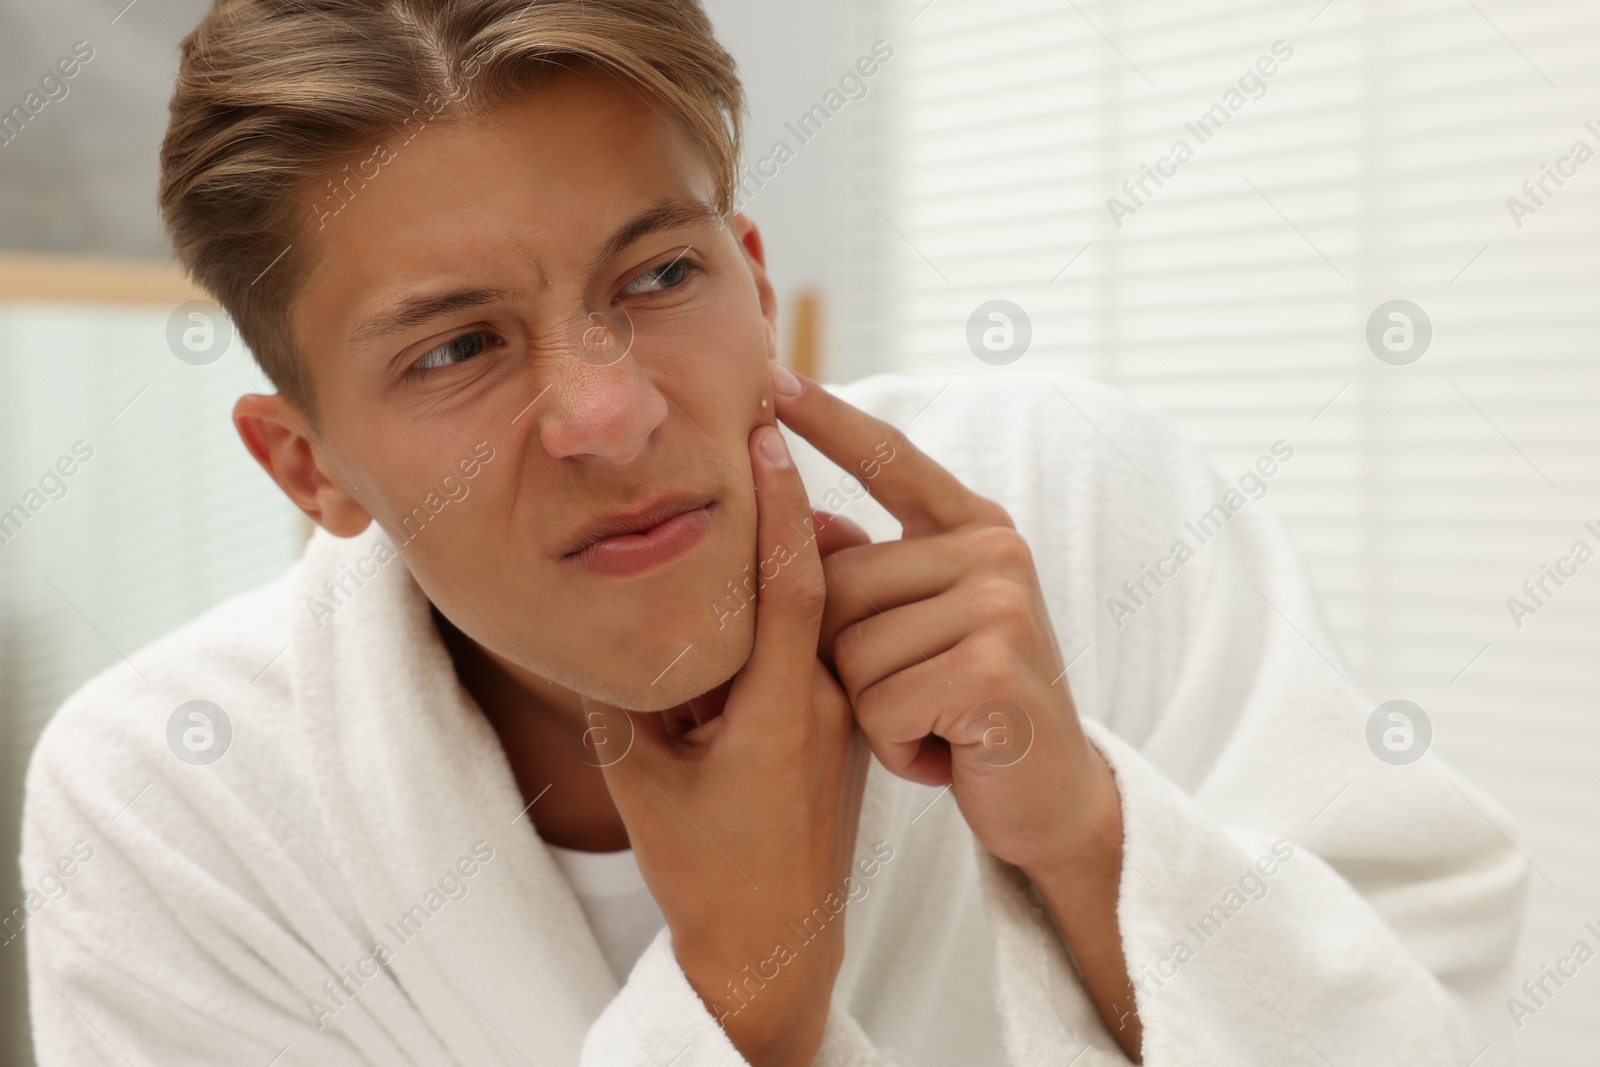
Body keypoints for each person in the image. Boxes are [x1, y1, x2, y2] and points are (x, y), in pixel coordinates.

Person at [21, 2, 1526, 1064]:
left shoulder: (1082, 509)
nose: (602, 413)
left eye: (660, 278)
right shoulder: (180, 801)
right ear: (308, 469)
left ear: (749, 274)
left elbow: (1440, 1020)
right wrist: (741, 997)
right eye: (455, 351)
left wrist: (1089, 838)